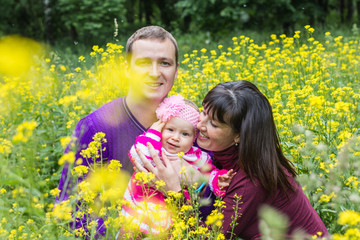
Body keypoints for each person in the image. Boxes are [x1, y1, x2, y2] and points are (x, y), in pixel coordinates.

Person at [134, 80, 329, 239]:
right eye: (203, 112)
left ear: (239, 136)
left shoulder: (250, 180)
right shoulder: (217, 151)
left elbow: (208, 238)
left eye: (213, 124)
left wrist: (173, 192)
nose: (199, 124)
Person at [55, 25, 180, 238]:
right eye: (143, 63)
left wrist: (176, 194)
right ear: (127, 69)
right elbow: (69, 205)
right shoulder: (95, 127)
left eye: (164, 63)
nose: (154, 72)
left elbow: (209, 201)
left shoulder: (188, 124)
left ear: (176, 69)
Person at [122, 94, 235, 235]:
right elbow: (137, 156)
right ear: (161, 127)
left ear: (194, 138)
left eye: (185, 134)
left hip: (171, 218)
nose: (175, 138)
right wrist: (153, 132)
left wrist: (217, 180)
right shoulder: (154, 147)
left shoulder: (195, 156)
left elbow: (208, 173)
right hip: (140, 208)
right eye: (170, 130)